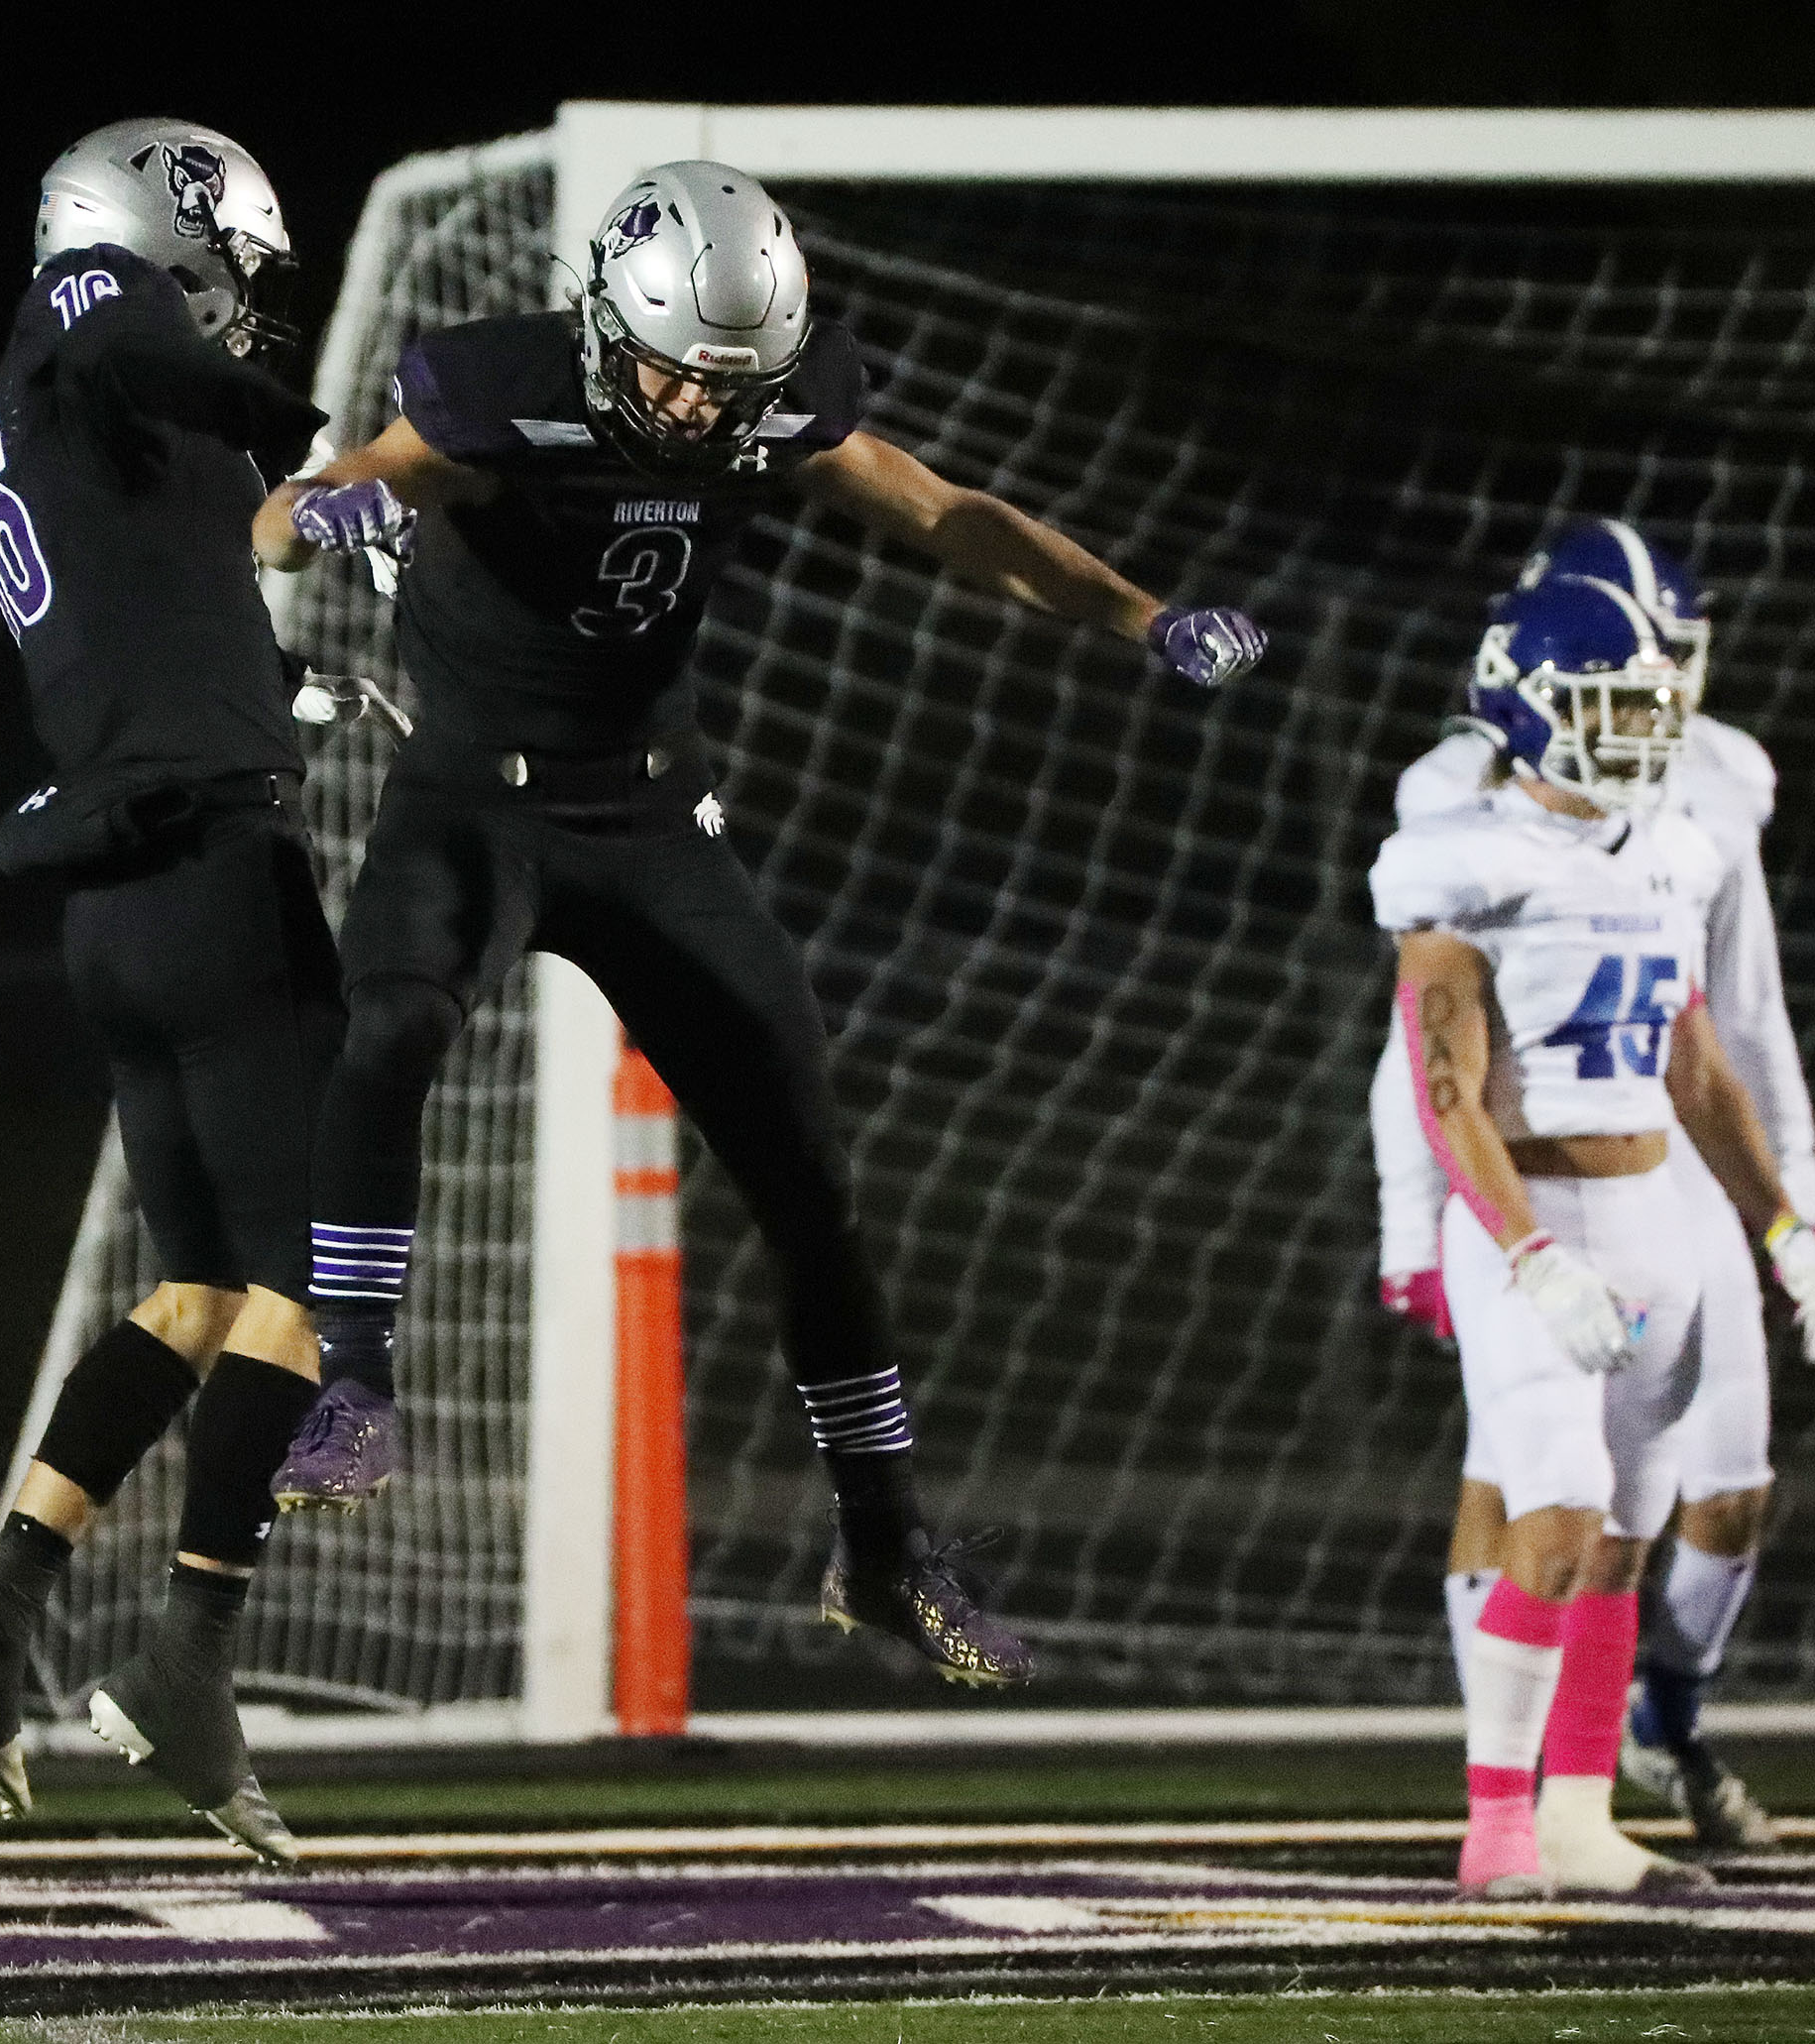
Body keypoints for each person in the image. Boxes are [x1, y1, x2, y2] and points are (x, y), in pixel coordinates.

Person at [254, 162, 1266, 1688]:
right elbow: (339, 494)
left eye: (734, 385)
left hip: (656, 818)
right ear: (604, 325)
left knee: (809, 1173)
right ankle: (353, 1384)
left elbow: (947, 514)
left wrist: (1140, 615)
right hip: (476, 801)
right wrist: (321, 512)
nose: (701, 411)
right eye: (673, 372)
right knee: (387, 1026)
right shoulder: (499, 393)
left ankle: (882, 1545)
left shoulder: (765, 401)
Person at [0, 118, 341, 1867]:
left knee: (201, 1289)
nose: (238, 309)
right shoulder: (90, 307)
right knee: (332, 1277)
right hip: (205, 874)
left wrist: (287, 692)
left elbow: (153, 597)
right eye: (223, 268)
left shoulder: (86, 416)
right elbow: (141, 329)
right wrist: (319, 450)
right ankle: (189, 1659)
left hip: (126, 896)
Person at [1370, 572, 1815, 1898]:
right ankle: (1499, 1832)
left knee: (1625, 1533)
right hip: (1533, 1215)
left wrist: (1780, 1225)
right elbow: (1447, 1088)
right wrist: (1522, 1248)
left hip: (1657, 1216)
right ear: (1527, 710)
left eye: (1651, 700)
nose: (1644, 727)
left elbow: (1699, 1067)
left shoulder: (1673, 847)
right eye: (1613, 701)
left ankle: (1582, 1816)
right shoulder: (1456, 862)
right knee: (1555, 1511)